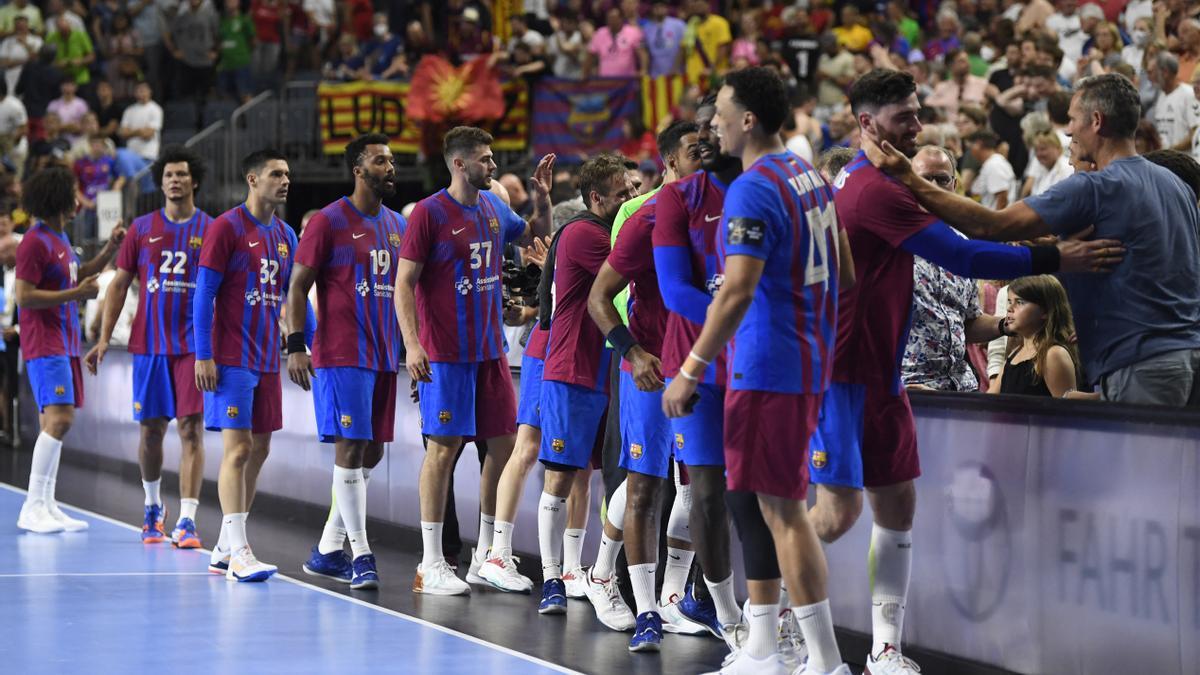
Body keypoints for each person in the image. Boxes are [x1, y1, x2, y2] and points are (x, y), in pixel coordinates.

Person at [817, 68, 1118, 675]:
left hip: (882, 374)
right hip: (843, 373)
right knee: (832, 517)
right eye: (906, 117)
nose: (919, 124)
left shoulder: (869, 174)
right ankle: (780, 629)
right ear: (868, 122)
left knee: (898, 507)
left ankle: (884, 647)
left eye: (919, 111)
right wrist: (1057, 256)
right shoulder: (871, 187)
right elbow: (962, 250)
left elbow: (964, 253)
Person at [661, 66, 853, 675]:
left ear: (747, 119)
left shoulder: (751, 185)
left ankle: (823, 663)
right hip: (805, 359)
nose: (712, 123)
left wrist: (691, 368)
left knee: (784, 515)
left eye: (719, 112)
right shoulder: (811, 176)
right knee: (774, 509)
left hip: (769, 365)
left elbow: (738, 289)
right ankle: (768, 650)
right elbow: (845, 274)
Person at [863, 72, 1200, 406]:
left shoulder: (1095, 187)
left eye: (1071, 119)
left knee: (1140, 461)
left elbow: (991, 226)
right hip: (1184, 356)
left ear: (1096, 121)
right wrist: (1050, 251)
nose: (1067, 130)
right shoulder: (1174, 184)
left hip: (1138, 359)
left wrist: (908, 177)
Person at [396, 126, 553, 595]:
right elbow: (404, 284)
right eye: (485, 159)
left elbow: (536, 235)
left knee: (503, 447)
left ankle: (487, 554)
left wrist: (543, 199)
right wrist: (413, 344)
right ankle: (431, 563)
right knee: (442, 451)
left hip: (490, 353)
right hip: (444, 355)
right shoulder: (428, 214)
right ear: (459, 164)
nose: (493, 165)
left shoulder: (492, 207)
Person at [585, 120, 703, 650]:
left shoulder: (729, 212)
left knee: (700, 488)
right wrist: (631, 352)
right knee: (645, 485)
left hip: (705, 369)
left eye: (710, 147)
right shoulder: (642, 214)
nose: (705, 156)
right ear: (671, 162)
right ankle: (645, 605)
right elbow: (599, 297)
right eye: (693, 151)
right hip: (651, 369)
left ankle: (676, 599)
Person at [286, 134, 406, 590]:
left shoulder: (396, 225)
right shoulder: (329, 221)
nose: (390, 167)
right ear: (359, 169)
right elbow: (298, 286)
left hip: (382, 354)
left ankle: (326, 548)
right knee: (350, 449)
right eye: (381, 160)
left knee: (370, 452)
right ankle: (362, 553)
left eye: (392, 160)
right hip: (341, 352)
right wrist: (297, 342)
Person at [650, 94, 746, 647]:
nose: (710, 135)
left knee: (763, 494)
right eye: (704, 127)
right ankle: (728, 617)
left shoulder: (767, 189)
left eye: (717, 125)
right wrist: (732, 319)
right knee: (707, 494)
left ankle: (769, 618)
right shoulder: (678, 198)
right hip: (698, 366)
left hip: (762, 367)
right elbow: (675, 289)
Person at [83, 146, 212, 547]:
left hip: (193, 347)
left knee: (192, 430)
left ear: (194, 181)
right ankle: (154, 506)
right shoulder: (141, 228)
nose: (175, 180)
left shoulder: (211, 229)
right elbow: (118, 285)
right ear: (161, 183)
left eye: (181, 174)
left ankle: (188, 519)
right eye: (168, 175)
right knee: (152, 431)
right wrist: (104, 339)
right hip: (150, 344)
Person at [533, 153, 633, 620]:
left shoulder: (605, 233)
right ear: (596, 199)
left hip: (606, 369)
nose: (631, 198)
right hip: (572, 369)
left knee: (588, 476)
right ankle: (552, 576)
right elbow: (634, 275)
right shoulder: (586, 235)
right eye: (623, 193)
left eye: (633, 189)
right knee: (559, 476)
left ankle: (576, 570)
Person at [194, 148, 299, 582]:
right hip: (231, 358)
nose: (285, 180)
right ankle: (239, 549)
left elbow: (294, 298)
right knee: (237, 450)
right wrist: (204, 353)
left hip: (266, 358)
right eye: (276, 173)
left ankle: (223, 545)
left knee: (260, 448)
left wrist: (299, 344)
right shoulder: (226, 228)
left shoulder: (287, 236)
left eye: (288, 173)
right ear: (252, 180)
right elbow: (204, 295)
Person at [14, 166, 126, 533]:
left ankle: (47, 503)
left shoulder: (60, 238)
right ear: (58, 197)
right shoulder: (34, 240)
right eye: (74, 192)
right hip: (43, 342)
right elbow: (25, 296)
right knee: (61, 420)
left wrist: (111, 248)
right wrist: (76, 295)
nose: (80, 198)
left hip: (65, 340)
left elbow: (79, 276)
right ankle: (32, 505)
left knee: (55, 422)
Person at [901, 146, 1008, 393]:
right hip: (910, 387)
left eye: (941, 179)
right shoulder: (892, 245)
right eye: (925, 179)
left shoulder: (960, 244)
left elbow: (967, 323)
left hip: (960, 387)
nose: (934, 186)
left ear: (954, 184)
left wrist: (1006, 324)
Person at [989, 275, 1081, 397]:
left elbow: (1067, 409)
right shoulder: (1015, 353)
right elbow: (991, 398)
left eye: (1020, 302)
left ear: (1045, 311)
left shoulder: (1053, 354)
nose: (1009, 308)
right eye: (1009, 301)